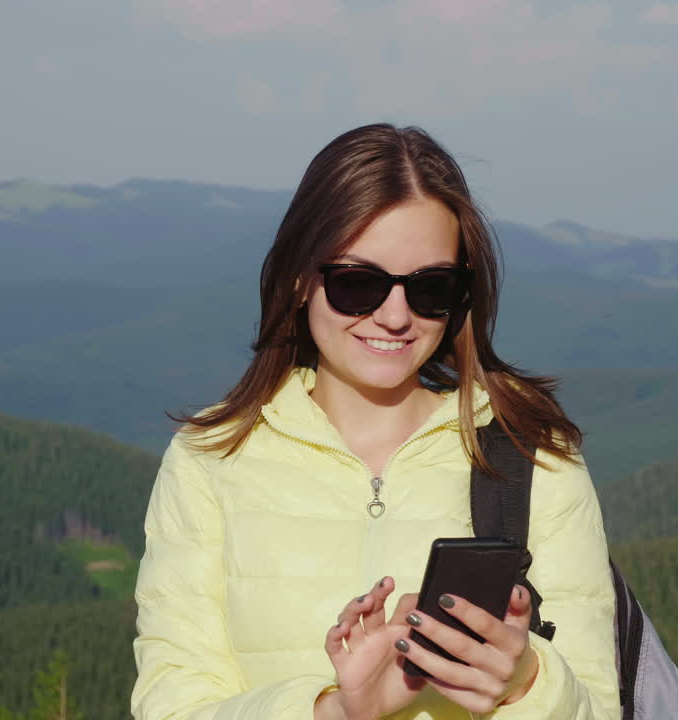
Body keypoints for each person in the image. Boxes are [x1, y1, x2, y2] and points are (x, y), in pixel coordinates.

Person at [131, 124, 620, 720]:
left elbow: (600, 707)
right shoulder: (210, 457)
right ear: (298, 280)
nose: (394, 316)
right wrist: (337, 711)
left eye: (430, 287)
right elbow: (173, 705)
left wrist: (525, 682)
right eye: (357, 283)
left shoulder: (533, 456)